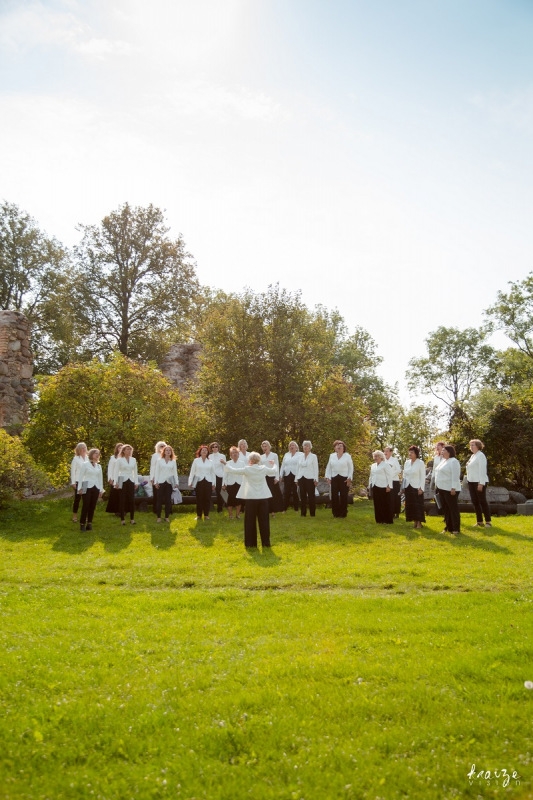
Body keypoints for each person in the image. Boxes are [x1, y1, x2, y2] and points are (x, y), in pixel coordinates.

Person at [225, 452, 277, 547]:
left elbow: (233, 470)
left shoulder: (247, 469)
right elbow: (273, 471)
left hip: (251, 498)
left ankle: (250, 544)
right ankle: (266, 543)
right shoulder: (263, 468)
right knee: (264, 521)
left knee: (249, 521)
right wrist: (274, 464)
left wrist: (225, 464)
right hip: (263, 498)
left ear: (251, 461)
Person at [434, 444, 462, 535]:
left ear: (449, 452)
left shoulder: (454, 461)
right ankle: (448, 527)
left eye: (444, 451)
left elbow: (455, 475)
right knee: (446, 509)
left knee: (452, 509)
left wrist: (453, 487)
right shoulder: (443, 461)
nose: (442, 452)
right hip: (441, 488)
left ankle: (456, 528)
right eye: (442, 451)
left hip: (450, 489)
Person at [466, 439, 492, 528]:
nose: (471, 447)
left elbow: (482, 470)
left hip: (479, 481)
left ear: (478, 446)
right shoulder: (473, 456)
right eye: (470, 445)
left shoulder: (481, 456)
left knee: (482, 501)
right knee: (475, 502)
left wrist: (481, 483)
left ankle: (488, 521)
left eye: (473, 445)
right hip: (471, 481)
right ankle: (479, 521)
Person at [325, 440, 353, 518]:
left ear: (344, 448)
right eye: (338, 446)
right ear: (335, 448)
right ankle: (335, 513)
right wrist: (327, 477)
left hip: (344, 478)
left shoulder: (347, 456)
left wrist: (349, 478)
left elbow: (351, 468)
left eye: (341, 446)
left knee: (344, 496)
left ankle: (343, 513)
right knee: (334, 496)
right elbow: (328, 467)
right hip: (334, 478)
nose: (339, 447)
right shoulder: (332, 456)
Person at [77, 448, 104, 531]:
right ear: (91, 454)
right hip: (86, 487)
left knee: (92, 506)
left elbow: (100, 479)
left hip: (96, 487)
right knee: (86, 505)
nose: (97, 455)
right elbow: (81, 477)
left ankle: (89, 523)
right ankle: (82, 524)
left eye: (98, 454)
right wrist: (79, 488)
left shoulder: (99, 466)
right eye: (96, 453)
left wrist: (101, 490)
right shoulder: (85, 464)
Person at [188, 445, 216, 521]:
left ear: (207, 452)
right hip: (198, 482)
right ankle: (199, 515)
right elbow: (192, 472)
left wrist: (214, 484)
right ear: (200, 452)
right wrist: (190, 481)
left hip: (208, 481)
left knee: (207, 499)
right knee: (199, 499)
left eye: (205, 450)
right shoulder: (196, 461)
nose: (204, 451)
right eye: (202, 450)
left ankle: (206, 515)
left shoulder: (210, 462)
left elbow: (213, 473)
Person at [114, 444, 138, 525]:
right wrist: (115, 482)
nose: (129, 451)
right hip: (122, 480)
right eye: (127, 449)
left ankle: (132, 519)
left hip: (131, 480)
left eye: (130, 449)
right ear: (123, 451)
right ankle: (122, 519)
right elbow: (116, 472)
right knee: (122, 499)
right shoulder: (119, 460)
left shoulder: (133, 460)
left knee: (131, 500)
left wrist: (136, 482)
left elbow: (135, 472)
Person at [402, 445, 426, 529]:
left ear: (416, 453)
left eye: (412, 452)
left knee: (418, 505)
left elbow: (423, 476)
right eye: (409, 452)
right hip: (408, 486)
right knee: (410, 505)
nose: (410, 454)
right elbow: (404, 475)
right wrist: (403, 487)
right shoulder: (407, 463)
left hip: (416, 487)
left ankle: (419, 522)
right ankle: (414, 522)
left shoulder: (420, 463)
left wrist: (421, 488)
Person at [154, 445, 179, 523]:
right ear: (164, 452)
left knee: (168, 500)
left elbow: (175, 473)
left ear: (171, 452)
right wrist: (156, 482)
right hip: (161, 482)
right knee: (159, 500)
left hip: (169, 483)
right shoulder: (159, 461)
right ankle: (158, 517)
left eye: (169, 450)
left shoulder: (173, 461)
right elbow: (157, 472)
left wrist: (176, 482)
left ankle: (167, 516)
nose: (168, 452)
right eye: (166, 450)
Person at [295, 440, 319, 517]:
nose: (305, 447)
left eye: (307, 446)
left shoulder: (313, 456)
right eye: (304, 446)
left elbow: (316, 468)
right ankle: (303, 513)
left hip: (310, 478)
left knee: (311, 496)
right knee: (302, 496)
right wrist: (296, 479)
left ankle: (312, 513)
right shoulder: (300, 456)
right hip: (301, 478)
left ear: (310, 447)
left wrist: (316, 479)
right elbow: (297, 468)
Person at [369, 450, 394, 524]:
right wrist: (369, 485)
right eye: (375, 456)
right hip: (375, 486)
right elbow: (371, 476)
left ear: (381, 457)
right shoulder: (373, 465)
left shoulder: (386, 465)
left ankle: (387, 520)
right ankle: (379, 520)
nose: (375, 458)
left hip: (383, 486)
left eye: (377, 456)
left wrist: (389, 486)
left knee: (385, 503)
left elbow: (390, 476)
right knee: (377, 504)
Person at [260, 440, 283, 514]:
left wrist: (277, 477)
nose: (264, 448)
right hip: (264, 477)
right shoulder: (261, 457)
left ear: (269, 447)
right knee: (265, 493)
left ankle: (274, 510)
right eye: (263, 447)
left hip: (272, 476)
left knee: (273, 493)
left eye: (265, 446)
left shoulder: (274, 455)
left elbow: (276, 466)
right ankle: (267, 509)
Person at [280, 441, 303, 512]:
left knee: (295, 492)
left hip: (296, 475)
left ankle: (296, 508)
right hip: (287, 475)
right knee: (286, 492)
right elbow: (283, 465)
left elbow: (301, 466)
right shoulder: (286, 455)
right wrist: (280, 475)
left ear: (296, 447)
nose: (291, 447)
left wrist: (300, 476)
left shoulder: (300, 454)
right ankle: (284, 508)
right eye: (290, 446)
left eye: (293, 445)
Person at [222, 446, 243, 519]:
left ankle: (238, 515)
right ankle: (230, 515)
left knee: (238, 500)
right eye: (233, 453)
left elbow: (244, 474)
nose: (234, 454)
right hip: (230, 483)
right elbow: (225, 474)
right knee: (229, 500)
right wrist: (223, 484)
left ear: (238, 454)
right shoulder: (227, 463)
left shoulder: (242, 463)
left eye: (236, 453)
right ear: (230, 455)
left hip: (239, 483)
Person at [70, 442, 88, 523]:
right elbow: (73, 471)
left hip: (87, 481)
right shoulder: (76, 459)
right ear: (79, 450)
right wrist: (73, 482)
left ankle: (86, 515)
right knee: (77, 499)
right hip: (78, 481)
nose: (84, 449)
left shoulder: (88, 458)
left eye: (85, 447)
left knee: (86, 499)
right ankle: (74, 515)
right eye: (82, 448)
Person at [149, 441, 167, 517]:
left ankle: (168, 510)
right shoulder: (155, 456)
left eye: (163, 446)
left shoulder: (167, 455)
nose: (162, 447)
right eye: (161, 446)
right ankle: (155, 510)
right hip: (156, 477)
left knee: (167, 494)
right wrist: (152, 477)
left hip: (166, 477)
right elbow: (152, 467)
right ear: (157, 447)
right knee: (156, 494)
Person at [105, 442, 123, 515]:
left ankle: (123, 510)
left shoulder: (125, 458)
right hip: (114, 478)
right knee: (115, 494)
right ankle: (115, 510)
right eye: (119, 447)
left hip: (122, 477)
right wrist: (110, 478)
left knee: (122, 494)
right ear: (117, 449)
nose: (121, 449)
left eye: (122, 448)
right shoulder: (113, 458)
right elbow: (110, 468)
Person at [209, 441, 227, 513]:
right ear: (211, 448)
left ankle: (220, 508)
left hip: (220, 476)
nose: (214, 448)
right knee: (209, 492)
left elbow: (224, 468)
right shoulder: (209, 456)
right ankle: (208, 508)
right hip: (211, 476)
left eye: (216, 447)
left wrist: (224, 480)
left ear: (218, 448)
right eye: (213, 447)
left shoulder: (222, 456)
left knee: (220, 493)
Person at [384, 446, 402, 518]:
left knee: (395, 497)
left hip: (394, 481)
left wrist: (390, 475)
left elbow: (398, 470)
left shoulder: (394, 460)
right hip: (386, 481)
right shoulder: (383, 460)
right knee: (387, 497)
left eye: (387, 451)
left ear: (391, 452)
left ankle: (396, 512)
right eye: (384, 451)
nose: (385, 453)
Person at [429, 441, 446, 513]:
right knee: (438, 496)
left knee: (444, 497)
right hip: (437, 480)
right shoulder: (436, 457)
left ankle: (446, 514)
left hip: (444, 480)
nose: (437, 447)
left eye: (439, 446)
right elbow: (434, 469)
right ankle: (441, 512)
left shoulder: (446, 457)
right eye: (437, 446)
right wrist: (432, 480)